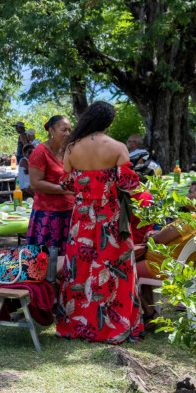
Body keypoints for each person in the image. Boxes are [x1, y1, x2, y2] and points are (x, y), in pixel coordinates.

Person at [57, 101, 143, 343]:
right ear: (109, 122)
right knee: (115, 269)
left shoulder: (72, 148)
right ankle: (113, 325)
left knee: (79, 270)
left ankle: (79, 323)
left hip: (82, 216)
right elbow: (129, 185)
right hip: (111, 216)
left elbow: (67, 184)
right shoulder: (117, 147)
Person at [136, 181, 196, 320]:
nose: (186, 196)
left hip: (163, 267)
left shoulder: (192, 219)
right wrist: (156, 234)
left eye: (191, 193)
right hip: (181, 267)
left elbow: (160, 240)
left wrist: (153, 235)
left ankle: (149, 313)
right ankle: (150, 313)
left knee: (123, 271)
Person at [25, 115, 74, 253]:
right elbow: (35, 183)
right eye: (64, 130)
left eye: (69, 130)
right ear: (52, 131)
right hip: (48, 215)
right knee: (46, 260)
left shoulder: (68, 151)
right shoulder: (40, 151)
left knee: (65, 258)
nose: (68, 134)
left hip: (68, 211)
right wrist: (65, 190)